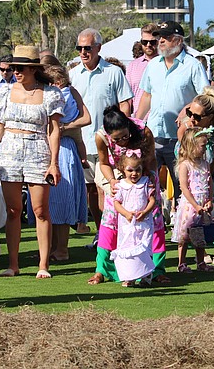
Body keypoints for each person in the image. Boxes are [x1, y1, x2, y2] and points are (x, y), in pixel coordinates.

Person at [0, 45, 63, 279]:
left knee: (40, 210)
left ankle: (43, 264)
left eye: (21, 68)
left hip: (38, 150)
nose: (16, 72)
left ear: (33, 69)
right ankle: (13, 264)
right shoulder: (5, 92)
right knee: (13, 210)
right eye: (13, 67)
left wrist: (54, 162)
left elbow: (54, 129)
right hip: (9, 151)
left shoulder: (50, 93)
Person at [89, 106, 168, 285]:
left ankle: (156, 270)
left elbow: (150, 160)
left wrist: (146, 183)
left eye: (125, 136)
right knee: (110, 223)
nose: (123, 141)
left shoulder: (143, 131)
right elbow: (103, 163)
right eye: (117, 139)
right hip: (119, 180)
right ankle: (102, 270)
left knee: (152, 223)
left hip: (145, 177)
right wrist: (112, 181)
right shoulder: (101, 137)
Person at [69, 28, 133, 235]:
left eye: (87, 48)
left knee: (107, 189)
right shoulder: (72, 75)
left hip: (108, 143)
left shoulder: (113, 72)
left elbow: (125, 104)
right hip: (82, 143)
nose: (83, 52)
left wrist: (121, 137)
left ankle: (114, 233)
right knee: (90, 190)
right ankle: (101, 234)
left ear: (98, 47)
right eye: (79, 48)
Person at [136, 21, 208, 199]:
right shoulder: (152, 65)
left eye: (165, 38)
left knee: (181, 185)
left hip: (179, 138)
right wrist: (136, 123)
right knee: (147, 182)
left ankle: (181, 224)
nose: (160, 41)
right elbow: (147, 96)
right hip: (152, 134)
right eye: (159, 37)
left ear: (178, 41)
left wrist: (188, 108)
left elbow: (206, 98)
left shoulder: (193, 66)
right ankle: (153, 223)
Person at [176, 86, 214, 266]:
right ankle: (200, 250)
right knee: (194, 200)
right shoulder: (188, 120)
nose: (192, 118)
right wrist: (195, 175)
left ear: (210, 118)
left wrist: (206, 177)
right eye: (190, 114)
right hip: (191, 154)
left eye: (197, 117)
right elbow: (183, 146)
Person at [44, 63, 91, 260]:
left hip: (64, 147)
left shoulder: (69, 93)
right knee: (49, 201)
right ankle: (53, 247)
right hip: (47, 146)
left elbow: (86, 117)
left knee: (62, 197)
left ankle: (61, 248)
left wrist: (64, 127)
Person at [111, 154, 156, 287]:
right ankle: (129, 276)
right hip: (127, 224)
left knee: (144, 247)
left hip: (144, 223)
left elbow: (152, 200)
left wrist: (145, 212)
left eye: (138, 170)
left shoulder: (146, 182)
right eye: (130, 170)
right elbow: (117, 203)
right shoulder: (121, 185)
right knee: (128, 247)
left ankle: (146, 276)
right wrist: (126, 214)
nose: (134, 173)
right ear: (123, 170)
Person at [174, 127, 214, 274]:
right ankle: (181, 262)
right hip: (190, 205)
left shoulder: (205, 164)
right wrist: (195, 205)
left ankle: (200, 261)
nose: (205, 149)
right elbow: (184, 187)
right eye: (203, 146)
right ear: (192, 146)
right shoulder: (185, 165)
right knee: (184, 235)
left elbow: (210, 183)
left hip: (203, 204)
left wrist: (209, 199)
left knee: (200, 234)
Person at [125, 22, 158, 117]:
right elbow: (128, 97)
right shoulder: (132, 66)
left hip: (159, 120)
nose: (148, 45)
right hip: (138, 120)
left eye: (152, 42)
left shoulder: (166, 64)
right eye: (144, 42)